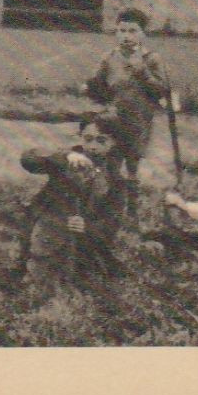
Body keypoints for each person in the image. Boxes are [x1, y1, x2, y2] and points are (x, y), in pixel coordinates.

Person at [19, 112, 131, 288]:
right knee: (39, 278)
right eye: (88, 139)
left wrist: (87, 226)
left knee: (90, 281)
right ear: (80, 138)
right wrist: (64, 157)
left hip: (84, 241)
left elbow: (112, 222)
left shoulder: (116, 180)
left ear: (114, 142)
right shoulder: (67, 160)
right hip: (49, 232)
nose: (93, 146)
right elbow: (29, 159)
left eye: (102, 141)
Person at [84, 7, 170, 220]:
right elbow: (98, 87)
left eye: (132, 31)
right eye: (122, 31)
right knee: (109, 164)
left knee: (132, 167)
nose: (126, 36)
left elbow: (162, 90)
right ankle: (107, 210)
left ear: (142, 34)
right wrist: (91, 87)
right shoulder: (109, 57)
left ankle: (132, 213)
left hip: (139, 120)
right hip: (112, 119)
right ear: (116, 32)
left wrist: (144, 72)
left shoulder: (151, 58)